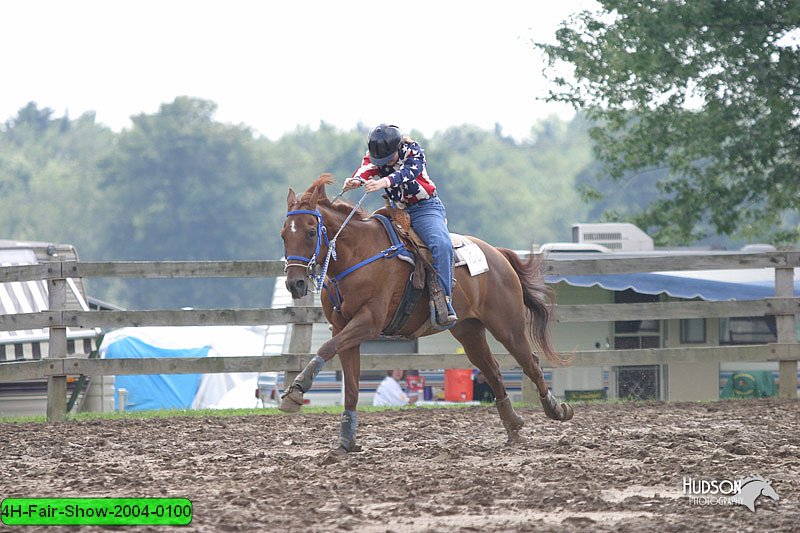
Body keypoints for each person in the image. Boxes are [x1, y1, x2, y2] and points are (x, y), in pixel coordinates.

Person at [344, 124, 457, 327]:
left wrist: (382, 183)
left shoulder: (413, 150)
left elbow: (408, 172)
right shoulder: (374, 155)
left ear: (397, 148)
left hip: (424, 208)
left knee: (441, 244)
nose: (384, 162)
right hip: (396, 210)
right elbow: (367, 167)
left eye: (388, 158)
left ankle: (443, 299)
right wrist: (356, 180)